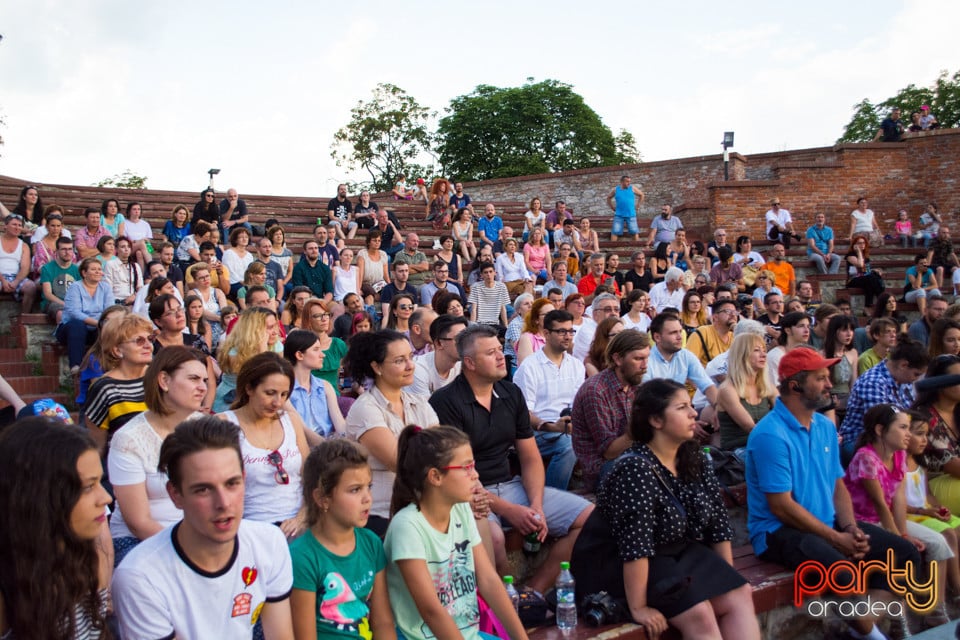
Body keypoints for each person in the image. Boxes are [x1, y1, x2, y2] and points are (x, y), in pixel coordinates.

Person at [746, 347, 921, 640]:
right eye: (821, 378)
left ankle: (860, 629)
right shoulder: (769, 434)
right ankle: (869, 634)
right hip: (777, 532)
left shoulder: (825, 427)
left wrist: (851, 529)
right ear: (795, 385)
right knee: (842, 572)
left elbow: (838, 485)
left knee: (903, 554)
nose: (830, 385)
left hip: (826, 524)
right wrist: (837, 539)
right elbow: (781, 507)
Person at [572, 378, 760, 640]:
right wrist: (639, 608)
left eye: (691, 406)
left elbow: (718, 525)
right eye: (682, 407)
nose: (693, 413)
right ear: (655, 420)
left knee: (739, 593)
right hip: (621, 563)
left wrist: (725, 577)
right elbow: (634, 545)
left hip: (675, 551)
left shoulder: (693, 457)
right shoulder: (634, 469)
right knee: (700, 613)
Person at [429, 324, 594, 596]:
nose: (500, 357)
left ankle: (534, 592)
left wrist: (537, 506)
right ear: (469, 363)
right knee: (493, 538)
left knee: (590, 518)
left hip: (509, 483)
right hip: (468, 492)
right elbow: (456, 474)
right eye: (490, 353)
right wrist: (508, 510)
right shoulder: (446, 401)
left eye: (499, 350)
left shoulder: (509, 393)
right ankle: (507, 600)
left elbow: (529, 457)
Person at [113, 416, 295, 639]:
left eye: (232, 483)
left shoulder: (269, 543)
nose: (224, 503)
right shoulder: (140, 577)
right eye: (203, 490)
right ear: (175, 495)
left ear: (244, 479)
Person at [385, 425, 528, 640]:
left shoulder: (460, 510)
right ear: (435, 476)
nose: (475, 474)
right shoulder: (407, 526)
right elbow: (431, 610)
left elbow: (488, 580)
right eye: (466, 467)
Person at [0, 417, 113, 640]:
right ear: (40, 496)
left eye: (101, 482)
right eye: (88, 487)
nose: (106, 498)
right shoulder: (9, 586)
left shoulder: (87, 555)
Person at [843, 403, 953, 628]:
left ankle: (937, 608)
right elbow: (880, 504)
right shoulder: (867, 457)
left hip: (887, 520)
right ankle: (897, 618)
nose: (908, 434)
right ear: (880, 430)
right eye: (903, 427)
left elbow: (898, 500)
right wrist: (900, 537)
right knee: (902, 551)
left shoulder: (899, 455)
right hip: (861, 522)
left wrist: (902, 532)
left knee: (939, 543)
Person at [108, 346, 209, 564]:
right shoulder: (129, 439)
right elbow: (138, 522)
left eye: (205, 380)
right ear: (164, 380)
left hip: (200, 534)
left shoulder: (205, 429)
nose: (202, 388)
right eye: (193, 379)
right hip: (140, 541)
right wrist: (191, 550)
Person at [291, 439, 396, 639]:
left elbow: (382, 622)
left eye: (369, 487)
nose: (367, 498)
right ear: (323, 498)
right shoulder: (302, 557)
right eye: (355, 490)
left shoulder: (371, 543)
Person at [343, 330, 439, 537]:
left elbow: (441, 451)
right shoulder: (366, 408)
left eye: (410, 358)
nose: (410, 365)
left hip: (420, 502)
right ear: (377, 367)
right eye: (399, 361)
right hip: (381, 510)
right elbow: (400, 462)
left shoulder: (419, 403)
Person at [218, 352, 311, 538]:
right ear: (249, 388)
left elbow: (311, 477)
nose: (277, 402)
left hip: (300, 522)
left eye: (284, 395)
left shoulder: (291, 421)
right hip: (251, 527)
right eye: (270, 393)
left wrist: (302, 517)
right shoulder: (223, 424)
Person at [513, 309, 584, 491]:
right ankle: (551, 496)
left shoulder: (576, 366)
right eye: (561, 331)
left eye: (570, 331)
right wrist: (551, 426)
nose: (567, 336)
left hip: (567, 426)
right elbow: (522, 414)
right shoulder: (530, 367)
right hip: (537, 431)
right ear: (546, 333)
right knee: (569, 445)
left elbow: (576, 406)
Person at [840, 339, 929, 463]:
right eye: (916, 374)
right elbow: (881, 426)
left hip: (894, 434)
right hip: (859, 440)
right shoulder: (873, 382)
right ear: (904, 365)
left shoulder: (902, 378)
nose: (916, 379)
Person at [905, 414, 960, 600]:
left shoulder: (921, 462)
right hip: (910, 515)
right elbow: (895, 504)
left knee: (957, 525)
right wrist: (926, 511)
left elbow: (927, 493)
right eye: (919, 434)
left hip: (925, 511)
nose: (925, 440)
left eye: (927, 434)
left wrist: (939, 507)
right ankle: (956, 587)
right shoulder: (895, 464)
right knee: (948, 533)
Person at [84, 312, 154, 455]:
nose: (148, 345)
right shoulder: (104, 388)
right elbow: (98, 447)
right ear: (117, 350)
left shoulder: (162, 378)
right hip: (124, 468)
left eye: (150, 339)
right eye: (139, 341)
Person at [715, 332, 776, 455]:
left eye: (764, 350)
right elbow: (751, 428)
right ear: (742, 355)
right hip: (738, 451)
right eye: (756, 350)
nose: (763, 354)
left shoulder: (766, 386)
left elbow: (785, 412)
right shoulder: (728, 389)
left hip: (763, 445)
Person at [215, 306, 282, 411]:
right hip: (233, 399)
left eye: (275, 326)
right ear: (253, 330)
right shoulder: (234, 352)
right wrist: (262, 348)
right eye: (269, 327)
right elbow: (264, 377)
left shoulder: (276, 344)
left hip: (264, 397)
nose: (275, 332)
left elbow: (277, 377)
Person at [58, 257, 114, 372]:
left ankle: (106, 367)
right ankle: (76, 366)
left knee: (109, 328)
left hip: (96, 329)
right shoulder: (75, 287)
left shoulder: (105, 287)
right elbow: (74, 313)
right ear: (84, 273)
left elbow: (110, 311)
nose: (98, 272)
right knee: (77, 325)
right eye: (94, 269)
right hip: (72, 330)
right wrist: (98, 323)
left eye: (99, 269)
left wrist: (103, 323)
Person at [823, 314, 859, 423]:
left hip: (848, 399)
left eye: (851, 329)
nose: (849, 334)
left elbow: (853, 382)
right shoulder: (822, 354)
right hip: (830, 400)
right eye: (844, 330)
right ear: (834, 332)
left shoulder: (853, 353)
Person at [0, 214, 37, 313]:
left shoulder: (24, 245)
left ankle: (24, 318)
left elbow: (25, 267)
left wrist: (15, 282)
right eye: (14, 224)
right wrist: (3, 281)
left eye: (20, 225)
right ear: (6, 226)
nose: (17, 227)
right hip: (0, 276)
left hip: (16, 277)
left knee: (31, 287)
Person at [39, 235, 79, 324]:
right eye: (64, 249)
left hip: (73, 302)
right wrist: (65, 304)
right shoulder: (47, 268)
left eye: (70, 249)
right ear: (56, 251)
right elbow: (48, 294)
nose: (67, 252)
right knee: (62, 313)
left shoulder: (77, 269)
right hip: (52, 303)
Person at [687, 298, 738, 368]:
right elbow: (689, 362)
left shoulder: (736, 337)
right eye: (728, 311)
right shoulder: (703, 332)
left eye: (735, 312)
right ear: (715, 317)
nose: (733, 315)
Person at [845, 233, 886, 309]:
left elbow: (866, 271)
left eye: (863, 243)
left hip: (865, 279)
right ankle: (882, 301)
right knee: (871, 279)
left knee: (873, 279)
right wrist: (859, 252)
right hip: (853, 280)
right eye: (859, 243)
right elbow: (860, 265)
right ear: (855, 245)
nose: (862, 245)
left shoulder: (866, 257)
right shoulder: (850, 255)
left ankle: (868, 306)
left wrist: (874, 270)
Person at [468, 262, 510, 327]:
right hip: (480, 324)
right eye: (485, 272)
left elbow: (503, 308)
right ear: (481, 275)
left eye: (490, 272)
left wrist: (506, 326)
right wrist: (471, 327)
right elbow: (474, 309)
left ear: (495, 273)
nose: (488, 274)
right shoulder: (476, 286)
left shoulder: (501, 286)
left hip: (495, 323)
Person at [30, 207, 68, 276]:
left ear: (61, 227)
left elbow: (71, 260)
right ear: (47, 226)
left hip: (64, 275)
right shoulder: (41, 244)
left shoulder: (66, 243)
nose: (55, 228)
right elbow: (40, 265)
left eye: (58, 226)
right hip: (45, 276)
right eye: (52, 226)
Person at [504, 293, 532, 375]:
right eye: (526, 304)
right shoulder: (515, 325)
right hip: (517, 364)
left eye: (532, 303)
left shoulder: (536, 323)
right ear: (519, 310)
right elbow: (519, 349)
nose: (530, 306)